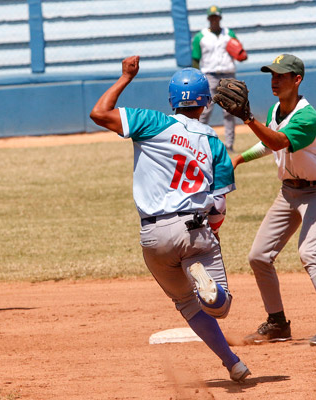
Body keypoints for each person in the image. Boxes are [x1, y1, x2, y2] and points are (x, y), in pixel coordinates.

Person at [89, 56, 250, 382]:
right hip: (194, 228)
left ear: (171, 101)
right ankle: (205, 282)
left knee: (186, 304)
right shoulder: (215, 143)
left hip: (153, 235)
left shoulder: (151, 121)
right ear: (206, 104)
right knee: (219, 307)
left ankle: (232, 363)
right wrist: (212, 237)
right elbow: (218, 207)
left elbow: (99, 113)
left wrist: (125, 77)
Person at [226, 54, 316, 345]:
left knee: (309, 252)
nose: (274, 80)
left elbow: (279, 141)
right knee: (258, 256)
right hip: (289, 193)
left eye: (281, 75)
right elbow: (269, 141)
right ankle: (278, 322)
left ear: (297, 80)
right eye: (272, 75)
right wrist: (239, 159)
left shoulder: (307, 116)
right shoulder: (275, 110)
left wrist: (247, 118)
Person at [192, 5, 245, 151]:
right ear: (209, 19)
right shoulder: (200, 36)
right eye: (212, 17)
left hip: (228, 74)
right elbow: (195, 59)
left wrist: (240, 54)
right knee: (205, 110)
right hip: (210, 75)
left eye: (216, 17)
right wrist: (197, 76)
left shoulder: (229, 34)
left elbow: (240, 53)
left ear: (220, 18)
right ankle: (198, 142)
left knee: (229, 111)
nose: (214, 20)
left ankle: (229, 145)